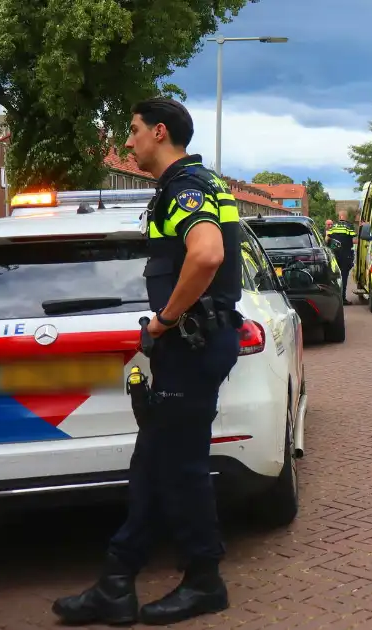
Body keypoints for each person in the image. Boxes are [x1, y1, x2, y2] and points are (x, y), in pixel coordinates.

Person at [53, 98, 243, 627]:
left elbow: (206, 254)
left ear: (160, 133)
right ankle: (118, 580)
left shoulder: (184, 188)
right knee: (156, 462)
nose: (128, 141)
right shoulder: (201, 183)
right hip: (200, 342)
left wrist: (162, 321)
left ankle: (204, 581)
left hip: (191, 342)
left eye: (133, 131)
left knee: (177, 466)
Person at [326, 210, 356, 304]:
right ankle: (343, 298)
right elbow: (354, 239)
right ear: (346, 217)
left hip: (335, 254)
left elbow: (327, 239)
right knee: (344, 276)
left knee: (334, 276)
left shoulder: (333, 226)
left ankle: (334, 298)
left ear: (339, 216)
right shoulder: (349, 226)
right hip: (346, 254)